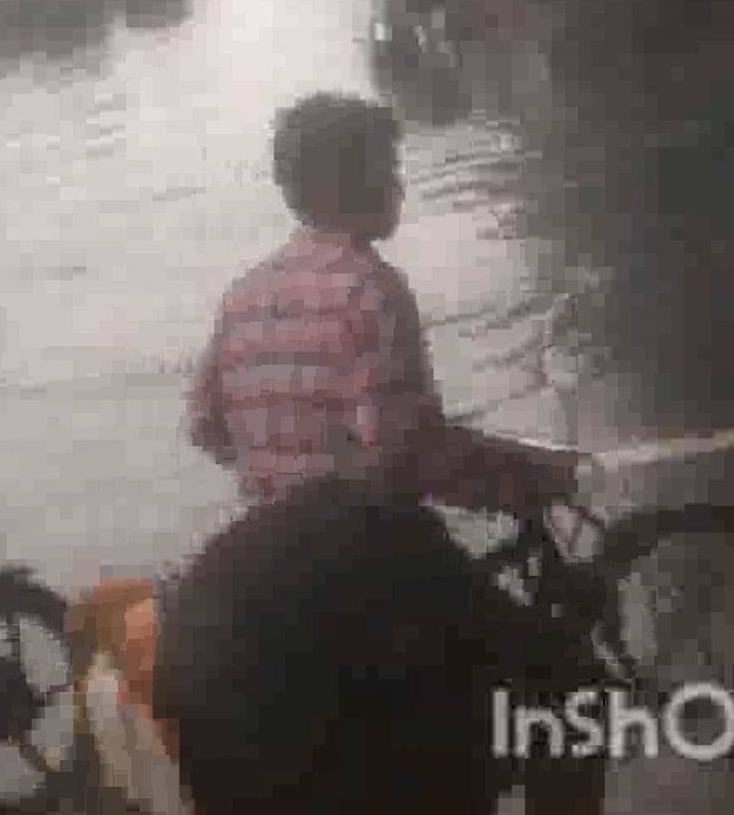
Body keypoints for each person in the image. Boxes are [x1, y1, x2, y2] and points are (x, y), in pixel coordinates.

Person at [151, 93, 594, 814]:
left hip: (258, 564)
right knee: (571, 691)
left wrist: (287, 465)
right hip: (367, 563)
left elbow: (206, 425)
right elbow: (404, 454)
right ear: (352, 181)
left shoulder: (246, 293)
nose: (399, 184)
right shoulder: (370, 286)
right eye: (387, 167)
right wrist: (522, 477)